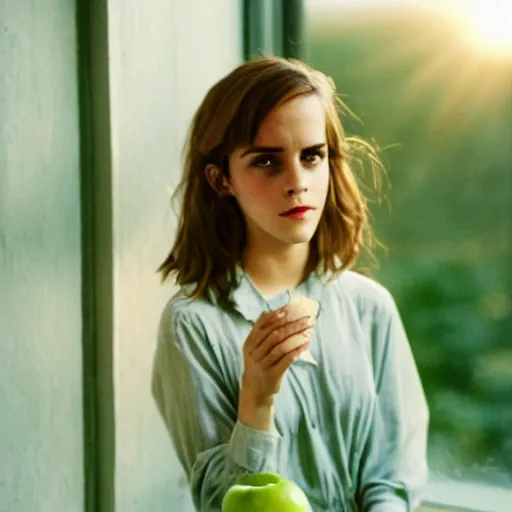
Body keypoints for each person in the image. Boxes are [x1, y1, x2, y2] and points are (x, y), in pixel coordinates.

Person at [151, 56, 429, 512]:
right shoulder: (192, 325)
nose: (297, 183)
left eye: (311, 156)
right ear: (223, 179)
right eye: (265, 161)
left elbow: (393, 475)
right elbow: (219, 502)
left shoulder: (369, 307)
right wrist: (257, 400)